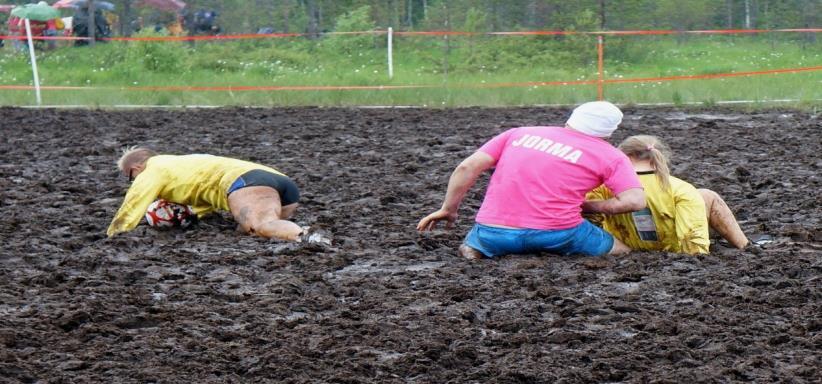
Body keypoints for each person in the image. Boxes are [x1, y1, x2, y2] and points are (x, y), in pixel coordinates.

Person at [417, 101, 646, 259]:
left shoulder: (518, 133)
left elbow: (467, 166)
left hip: (494, 232)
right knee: (621, 251)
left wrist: (449, 209)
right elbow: (635, 201)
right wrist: (590, 207)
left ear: (572, 118)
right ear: (610, 131)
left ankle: (475, 248)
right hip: (559, 233)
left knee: (480, 240)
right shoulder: (611, 155)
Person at [107, 147, 330, 245]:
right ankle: (297, 234)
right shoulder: (181, 165)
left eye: (130, 178)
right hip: (280, 183)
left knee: (262, 225)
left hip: (246, 182)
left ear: (137, 167)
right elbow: (205, 199)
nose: (133, 183)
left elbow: (133, 204)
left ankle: (309, 236)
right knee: (251, 231)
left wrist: (115, 234)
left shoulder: (154, 168)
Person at [586, 135, 749, 254]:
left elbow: (590, 223)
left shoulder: (602, 187)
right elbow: (693, 245)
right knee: (707, 195)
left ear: (623, 156)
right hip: (670, 250)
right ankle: (745, 246)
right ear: (659, 157)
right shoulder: (681, 188)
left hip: (623, 246)